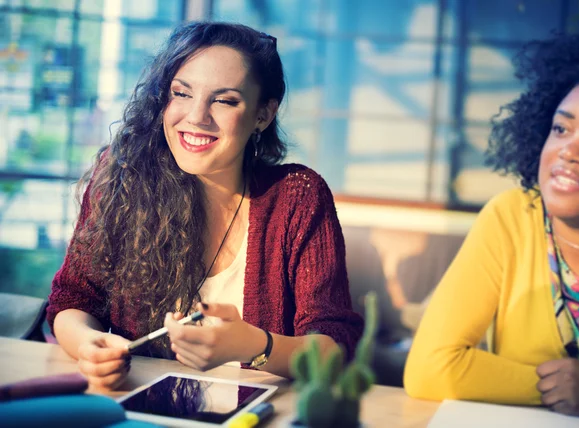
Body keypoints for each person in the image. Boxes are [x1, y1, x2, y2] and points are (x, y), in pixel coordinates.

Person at [47, 21, 363, 390]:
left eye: (225, 100)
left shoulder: (297, 197)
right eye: (181, 94)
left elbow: (335, 347)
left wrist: (255, 346)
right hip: (135, 404)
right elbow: (72, 301)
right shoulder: (123, 178)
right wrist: (89, 346)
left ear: (263, 114)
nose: (196, 117)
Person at [404, 33, 579, 416]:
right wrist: (559, 390)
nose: (569, 152)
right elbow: (430, 367)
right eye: (561, 129)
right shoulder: (513, 217)